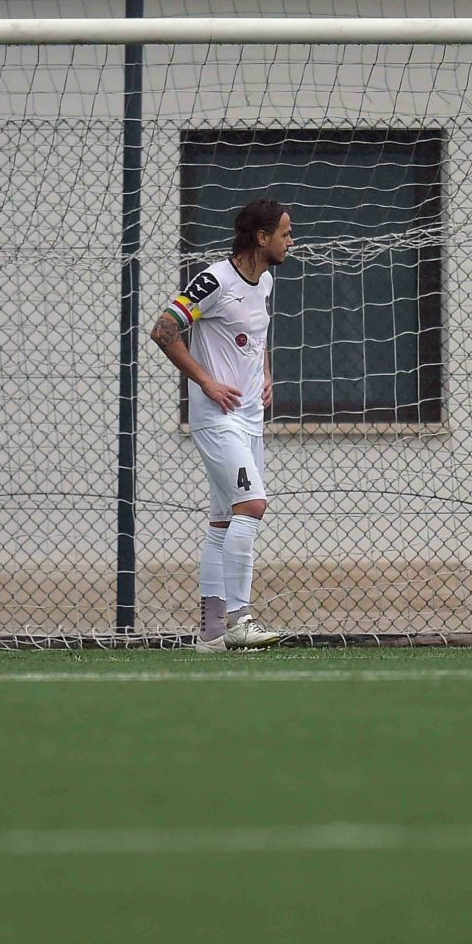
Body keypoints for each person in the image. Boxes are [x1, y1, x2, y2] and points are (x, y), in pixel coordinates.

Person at [150, 199, 293, 651]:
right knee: (252, 505)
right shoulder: (214, 280)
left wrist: (265, 374)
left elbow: (256, 335)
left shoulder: (265, 281)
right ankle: (239, 618)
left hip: (250, 419)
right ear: (262, 238)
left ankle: (212, 633)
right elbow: (164, 329)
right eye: (285, 233)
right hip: (217, 419)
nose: (291, 242)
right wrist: (207, 382)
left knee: (222, 521)